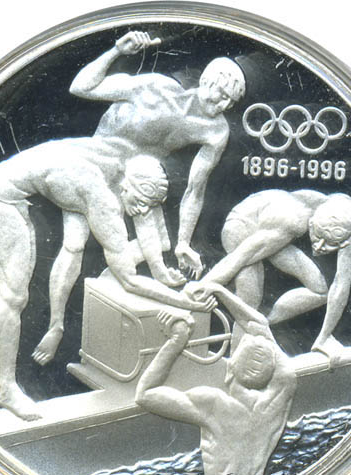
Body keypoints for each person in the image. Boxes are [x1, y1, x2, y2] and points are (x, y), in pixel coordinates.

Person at [32, 30, 246, 365]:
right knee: (74, 244)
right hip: (94, 165)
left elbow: (195, 189)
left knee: (161, 242)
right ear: (206, 81)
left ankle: (118, 275)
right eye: (221, 94)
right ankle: (56, 325)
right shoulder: (155, 87)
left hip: (135, 179)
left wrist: (184, 242)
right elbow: (81, 87)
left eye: (229, 103)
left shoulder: (215, 130)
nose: (222, 106)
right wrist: (116, 50)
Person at [0, 154, 213, 421]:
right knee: (15, 296)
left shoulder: (114, 169)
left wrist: (161, 274)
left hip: (8, 190)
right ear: (127, 186)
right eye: (140, 202)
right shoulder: (102, 200)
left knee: (12, 289)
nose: (141, 211)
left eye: (148, 206)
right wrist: (184, 302)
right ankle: (6, 389)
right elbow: (129, 279)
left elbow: (147, 234)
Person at [135, 282, 296, 475]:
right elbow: (259, 325)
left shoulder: (214, 404)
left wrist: (177, 340)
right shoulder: (277, 398)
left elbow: (144, 394)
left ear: (229, 370)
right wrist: (219, 291)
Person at [190, 190, 351, 356]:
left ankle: (264, 321)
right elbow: (240, 257)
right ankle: (236, 361)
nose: (319, 246)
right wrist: (203, 285)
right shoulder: (294, 219)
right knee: (249, 302)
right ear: (311, 221)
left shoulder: (349, 220)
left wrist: (324, 337)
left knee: (320, 290)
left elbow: (341, 283)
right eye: (318, 235)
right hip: (242, 225)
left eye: (330, 243)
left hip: (273, 230)